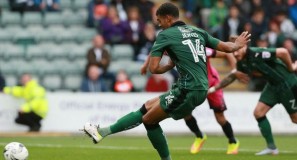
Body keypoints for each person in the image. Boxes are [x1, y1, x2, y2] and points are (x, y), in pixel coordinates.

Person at [81, 3, 250, 159]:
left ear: (168, 18)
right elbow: (229, 47)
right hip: (196, 87)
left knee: (149, 120)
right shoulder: (198, 31)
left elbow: (154, 69)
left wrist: (169, 65)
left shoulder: (165, 35)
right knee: (147, 106)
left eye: (159, 20)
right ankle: (101, 132)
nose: (158, 23)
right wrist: (238, 44)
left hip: (188, 89)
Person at [208, 36, 297, 155]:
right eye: (233, 51)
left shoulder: (257, 53)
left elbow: (283, 52)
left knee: (295, 119)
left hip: (287, 84)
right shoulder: (241, 63)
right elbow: (232, 76)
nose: (235, 53)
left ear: (244, 46)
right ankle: (271, 147)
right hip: (272, 86)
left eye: (237, 50)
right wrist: (212, 89)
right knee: (258, 113)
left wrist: (291, 67)